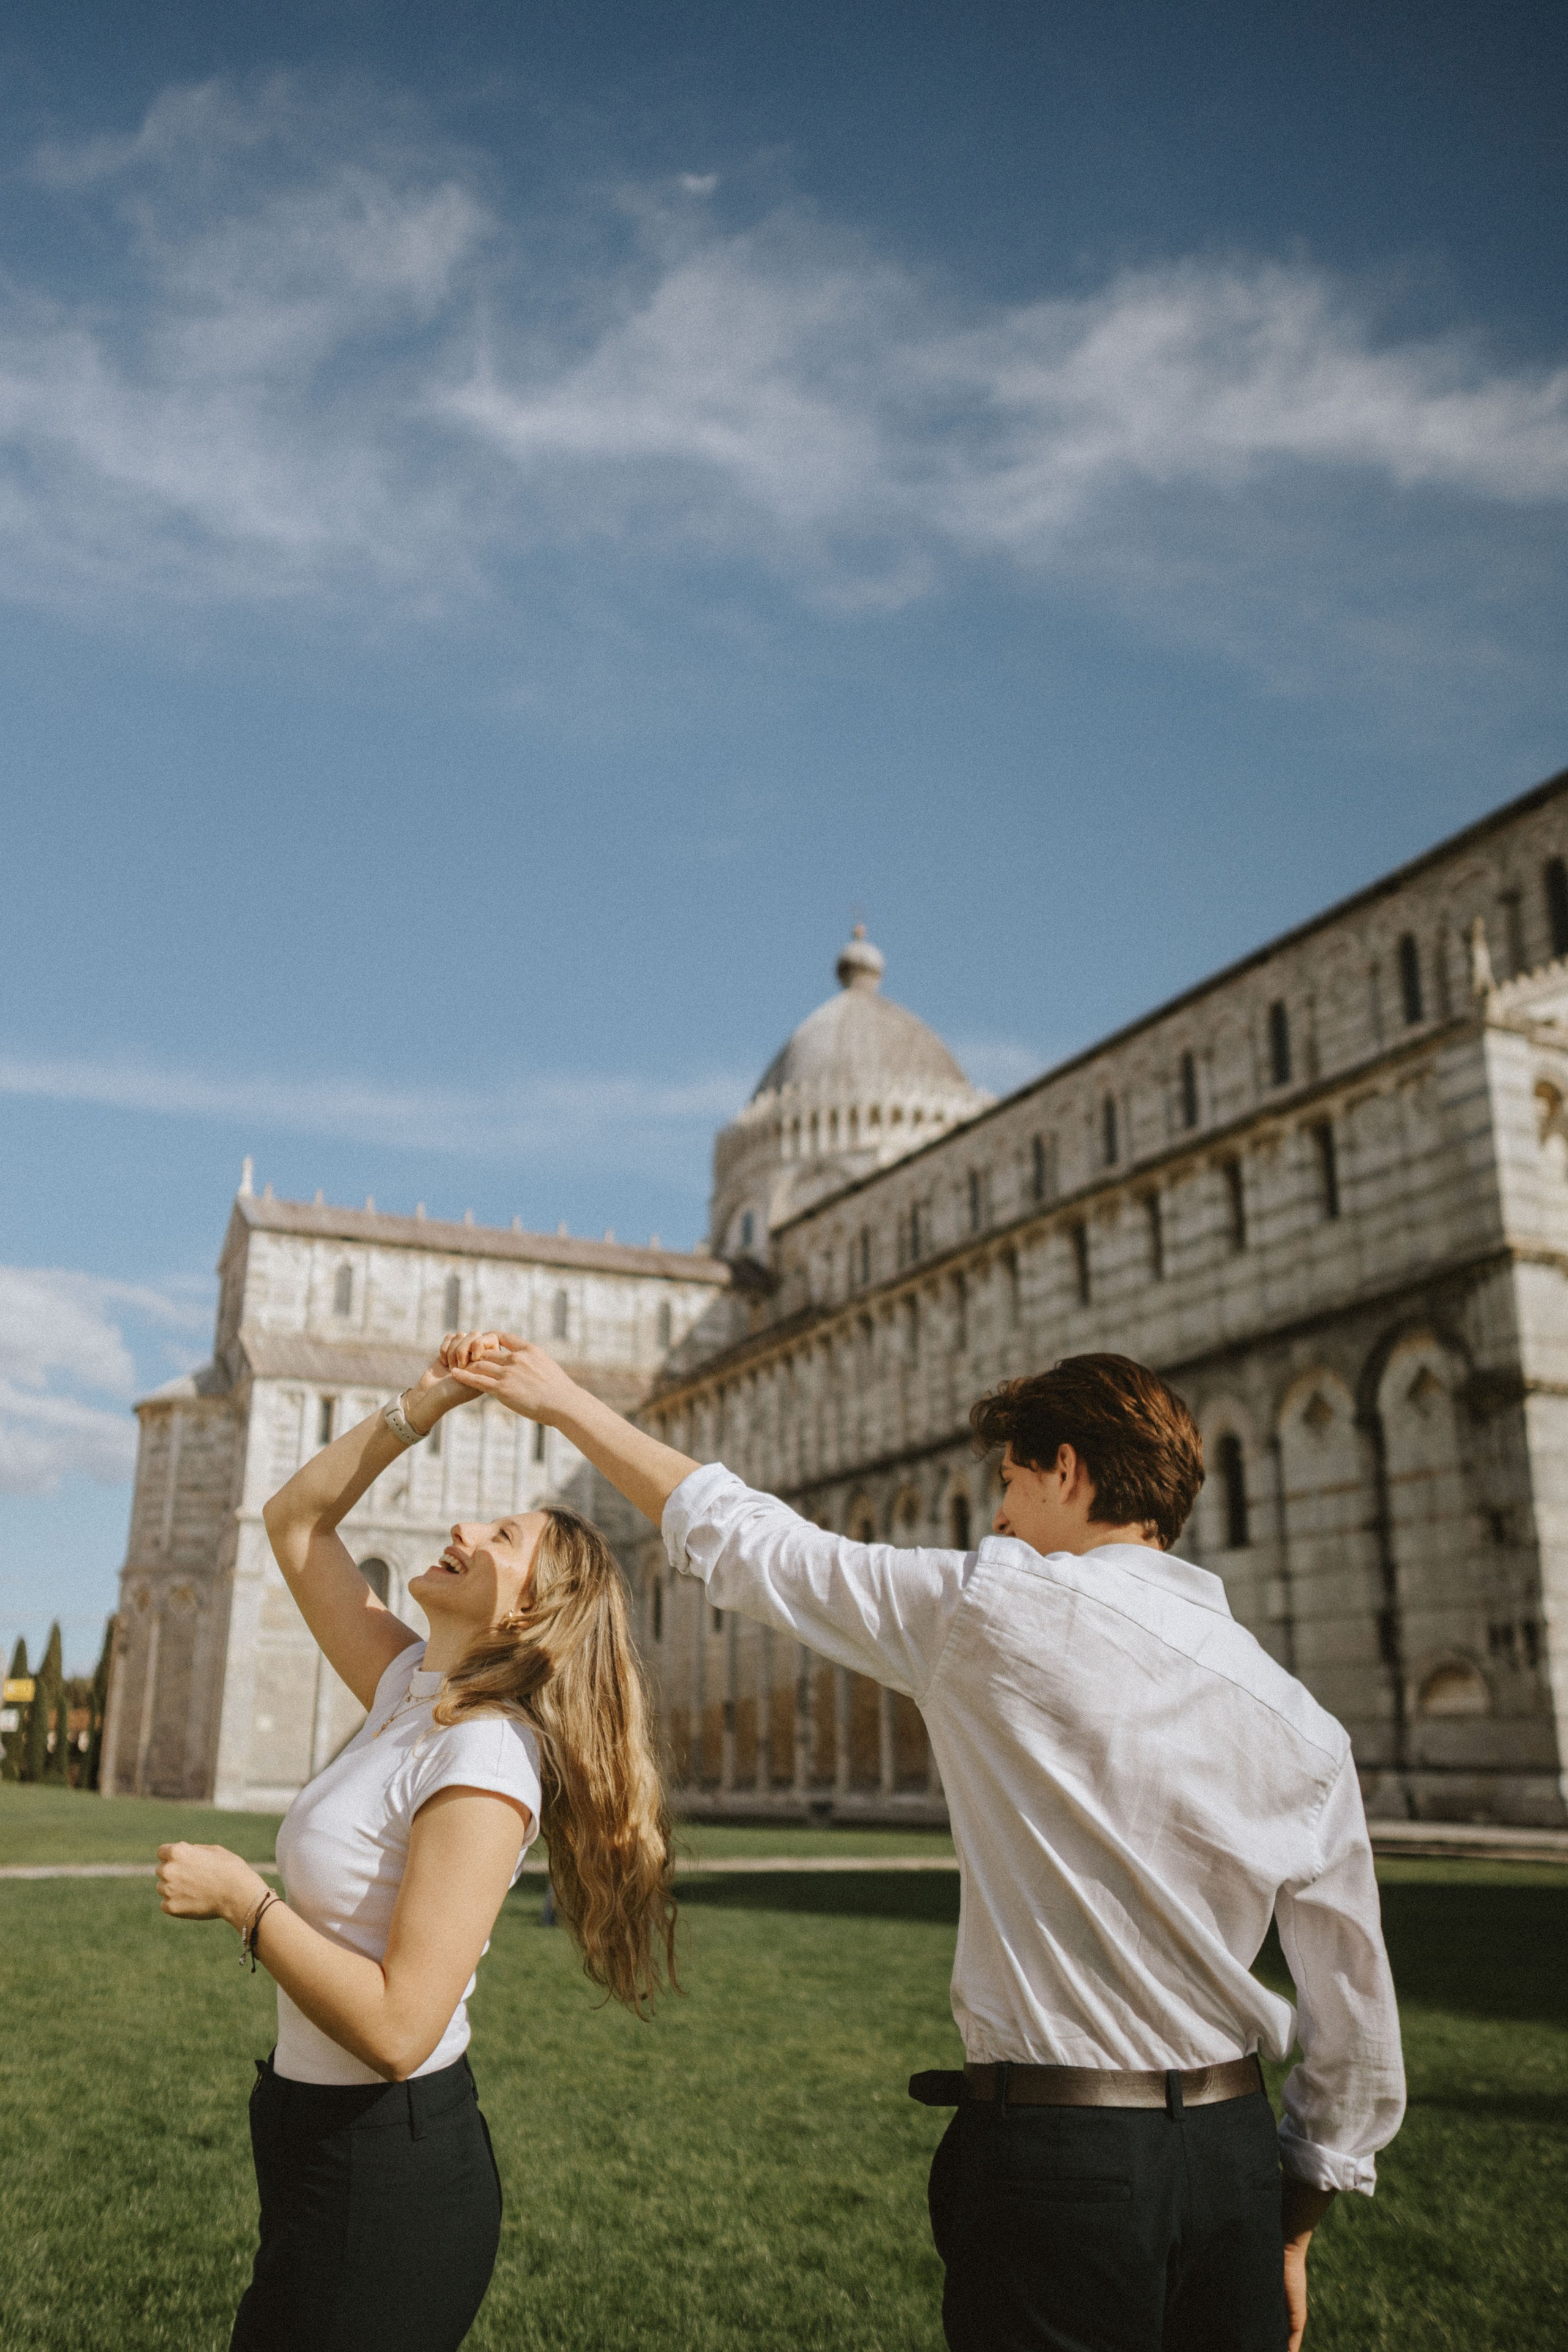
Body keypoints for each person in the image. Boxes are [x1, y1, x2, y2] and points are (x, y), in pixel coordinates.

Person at [442, 1333, 1405, 2352]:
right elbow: (1357, 2018)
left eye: (1009, 1482)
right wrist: (1292, 2223)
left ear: (1065, 1470)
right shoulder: (1301, 1721)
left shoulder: (995, 1609)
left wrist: (566, 1405)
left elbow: (752, 1543)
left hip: (1063, 2156)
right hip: (1236, 2159)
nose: (997, 1516)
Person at [155, 1340, 676, 2352]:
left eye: (501, 1534)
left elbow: (400, 2029)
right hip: (313, 2144)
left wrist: (243, 1902)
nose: (462, 1525)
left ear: (530, 1609)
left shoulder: (486, 1756)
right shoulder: (408, 1690)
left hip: (386, 2175)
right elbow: (294, 1521)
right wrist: (424, 1402)